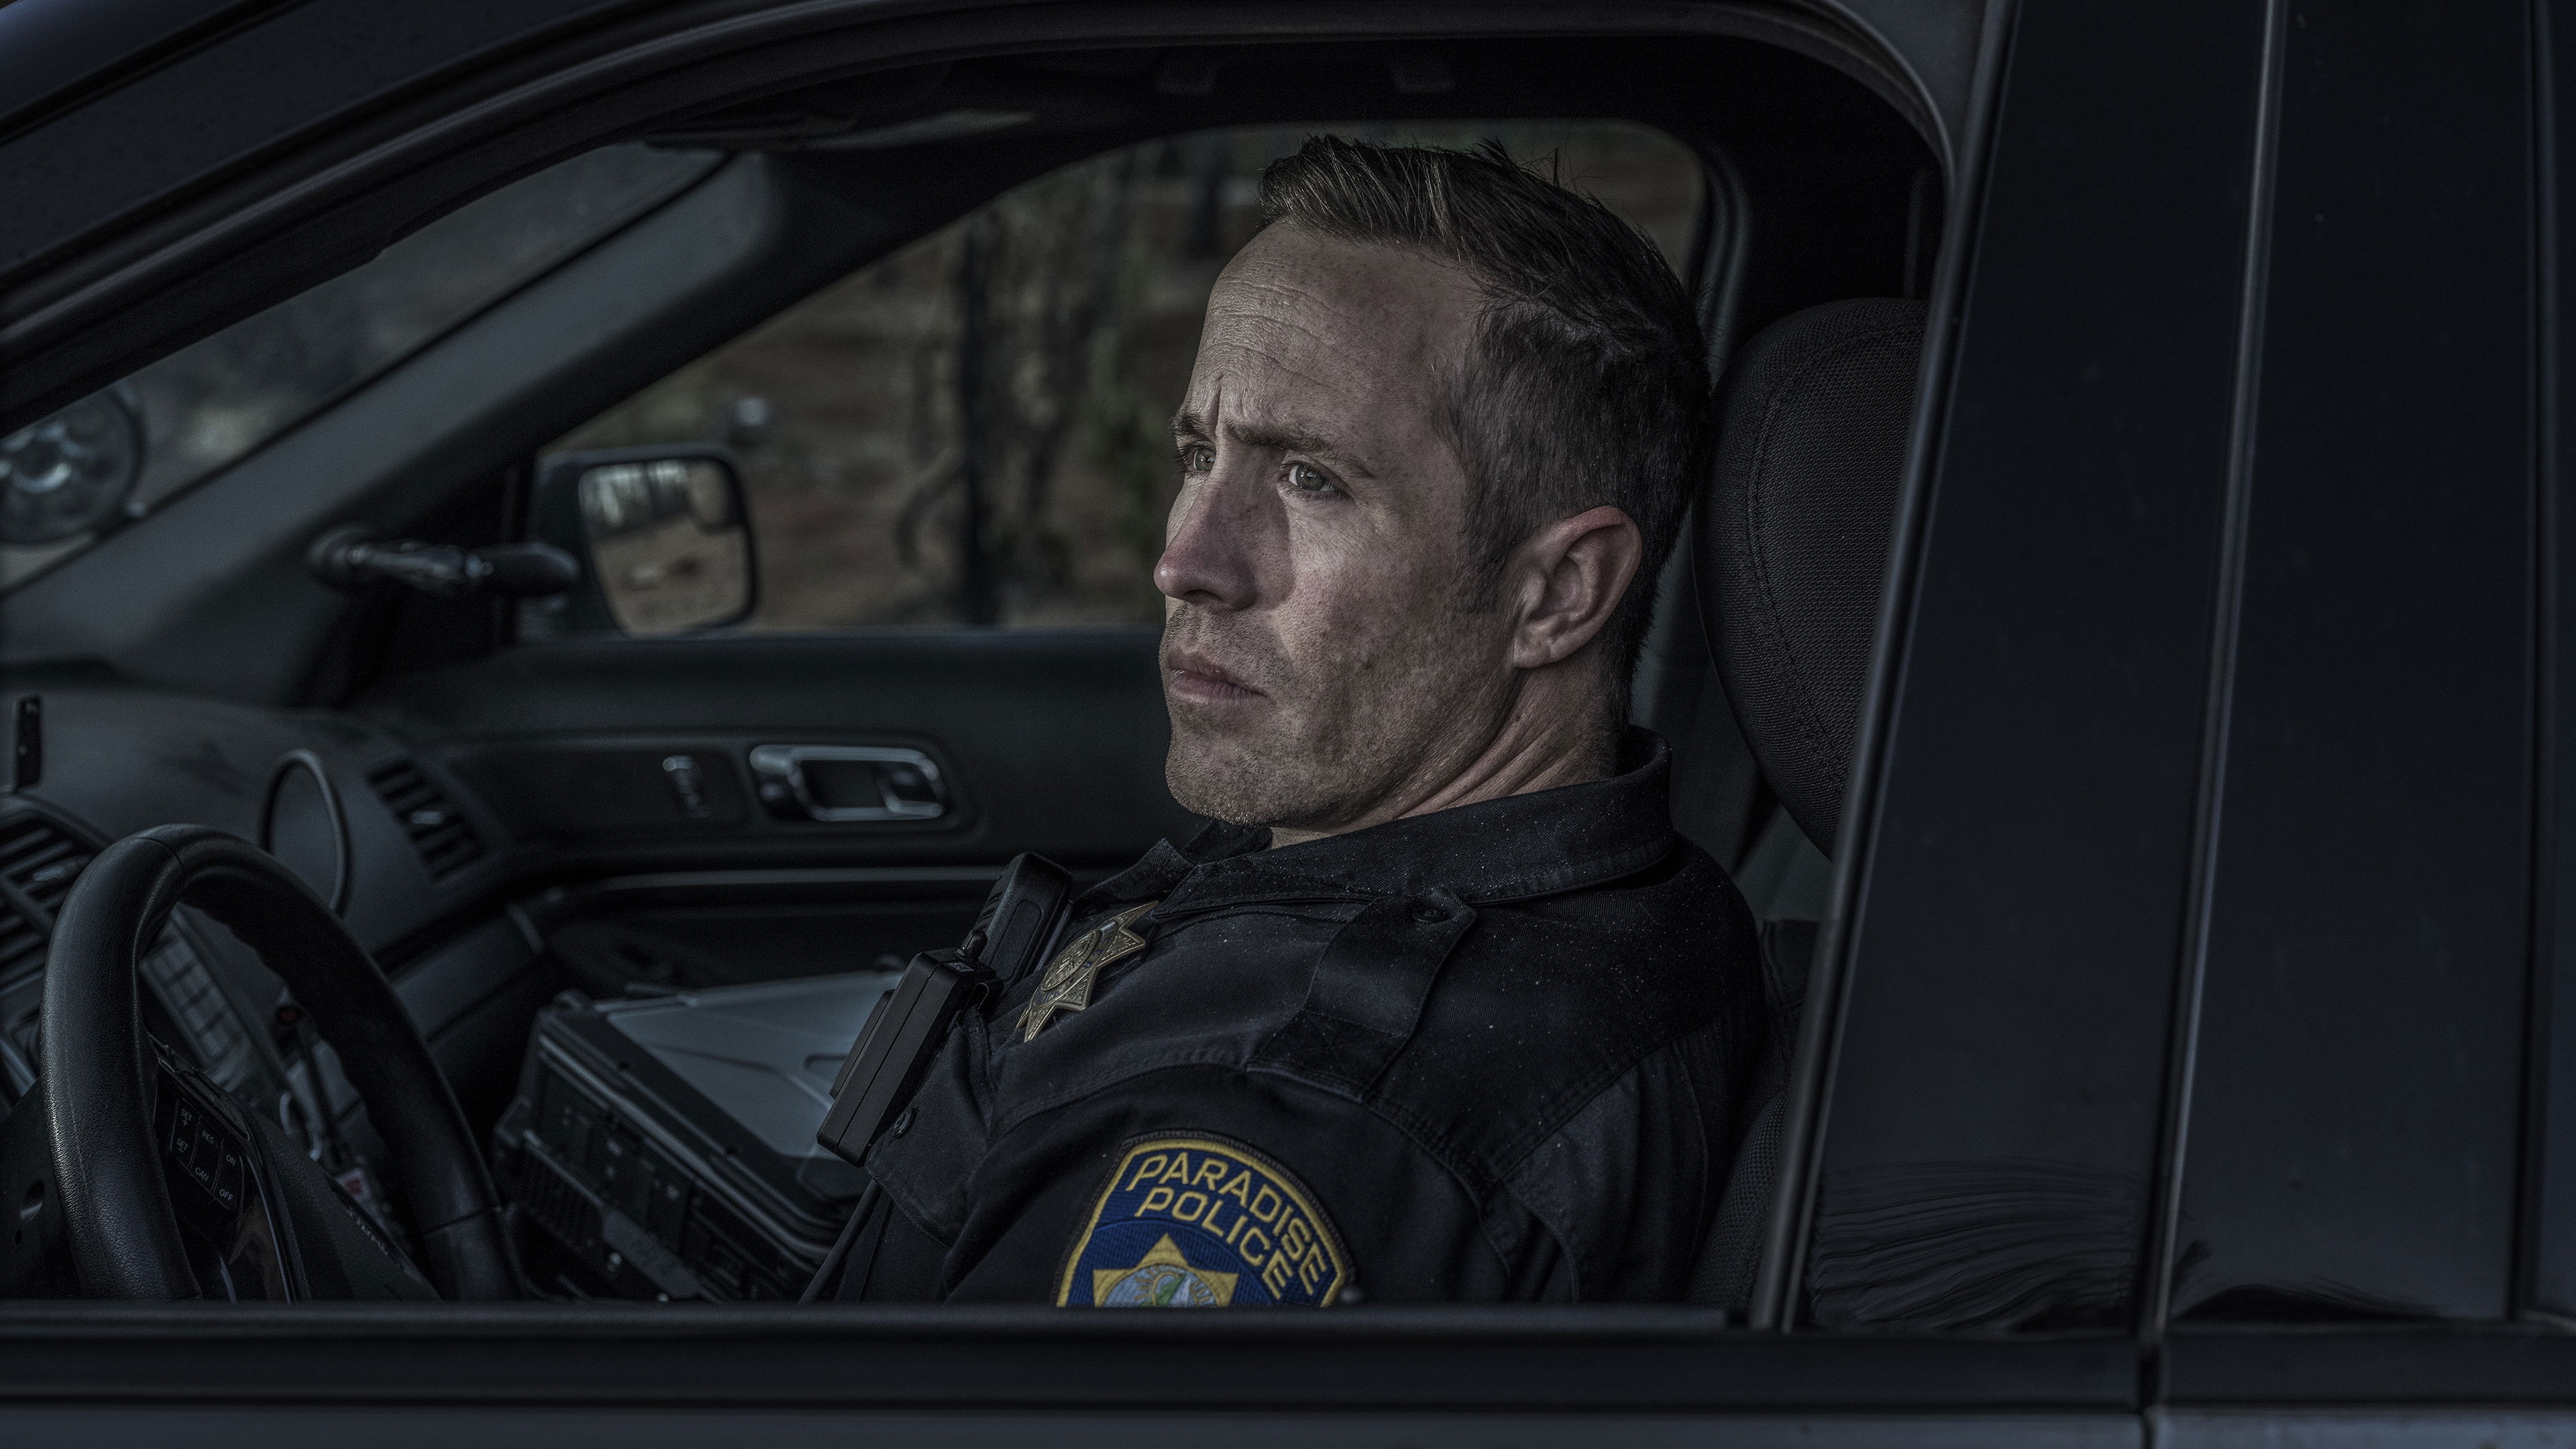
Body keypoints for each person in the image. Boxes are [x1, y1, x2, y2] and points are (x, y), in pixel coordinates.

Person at [839, 136, 1760, 1305]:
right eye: (1199, 453)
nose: (1185, 562)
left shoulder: (1293, 1120)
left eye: (1309, 479)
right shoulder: (1632, 897)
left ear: (1558, 594)